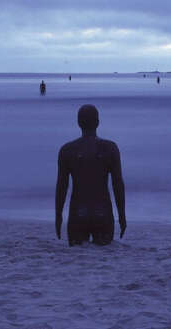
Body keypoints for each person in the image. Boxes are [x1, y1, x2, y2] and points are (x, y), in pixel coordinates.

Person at [55, 104, 126, 246]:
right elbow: (117, 184)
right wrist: (122, 215)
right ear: (98, 123)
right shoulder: (110, 148)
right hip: (103, 211)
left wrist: (58, 216)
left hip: (77, 212)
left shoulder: (67, 150)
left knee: (77, 259)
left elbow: (62, 186)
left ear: (78, 123)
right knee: (104, 260)